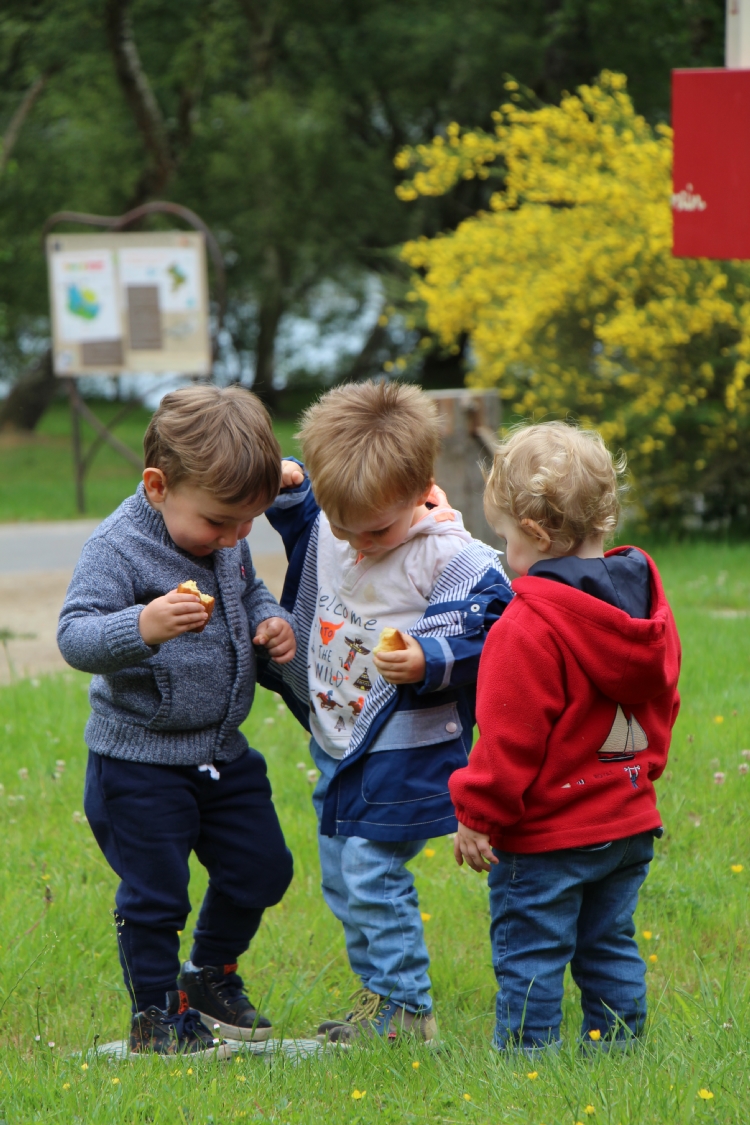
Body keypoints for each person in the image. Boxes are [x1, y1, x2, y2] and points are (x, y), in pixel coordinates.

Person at [263, 380, 513, 1043]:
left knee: (372, 870)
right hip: (341, 738)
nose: (358, 543)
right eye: (343, 525)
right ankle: (381, 999)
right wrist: (293, 491)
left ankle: (408, 1011)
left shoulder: (450, 558)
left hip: (405, 745)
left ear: (421, 485)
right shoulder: (341, 518)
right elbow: (309, 524)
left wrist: (430, 658)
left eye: (375, 529)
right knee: (344, 878)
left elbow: (492, 635)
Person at [58, 386, 296, 1057]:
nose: (234, 538)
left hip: (220, 749)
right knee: (157, 894)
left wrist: (269, 617)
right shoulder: (118, 547)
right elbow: (75, 636)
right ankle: (158, 1016)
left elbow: (246, 585)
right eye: (222, 523)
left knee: (263, 869)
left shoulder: (226, 533)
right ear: (157, 486)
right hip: (137, 760)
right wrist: (142, 625)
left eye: (249, 522)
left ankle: (211, 973)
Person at [449, 421, 681, 1053]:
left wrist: (477, 814)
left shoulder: (527, 627)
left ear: (538, 534)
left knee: (533, 950)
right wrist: (641, 772)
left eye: (504, 538)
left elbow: (507, 741)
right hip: (628, 821)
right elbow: (664, 701)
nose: (504, 554)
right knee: (609, 940)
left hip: (548, 837)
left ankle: (531, 1063)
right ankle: (619, 1048)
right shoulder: (642, 610)